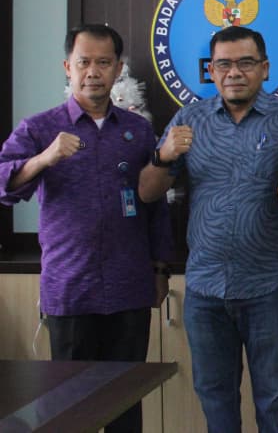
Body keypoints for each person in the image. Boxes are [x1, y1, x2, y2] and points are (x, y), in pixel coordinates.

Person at [0, 24, 172, 433]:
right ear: (68, 67)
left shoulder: (138, 130)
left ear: (118, 70)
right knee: (70, 408)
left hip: (129, 287)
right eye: (84, 62)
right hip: (70, 289)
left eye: (103, 62)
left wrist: (160, 268)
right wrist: (44, 158)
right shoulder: (40, 128)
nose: (93, 71)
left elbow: (155, 204)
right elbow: (3, 184)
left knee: (126, 402)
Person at [139, 26, 278, 433]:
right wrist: (164, 156)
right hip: (205, 288)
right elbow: (147, 192)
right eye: (224, 64)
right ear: (211, 71)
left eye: (246, 63)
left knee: (275, 399)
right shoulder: (189, 120)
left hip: (269, 285)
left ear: (265, 68)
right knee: (215, 398)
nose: (234, 72)